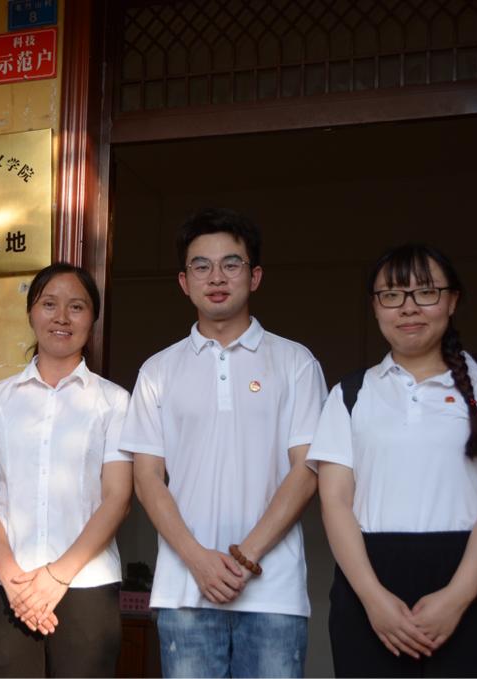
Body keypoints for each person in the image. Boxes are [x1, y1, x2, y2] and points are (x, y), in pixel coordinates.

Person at [308, 243, 477, 677]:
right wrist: (373, 599)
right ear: (376, 307)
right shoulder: (350, 395)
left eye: (426, 292)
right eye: (392, 295)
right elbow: (334, 502)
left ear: (452, 300)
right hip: (369, 584)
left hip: (473, 583)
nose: (408, 308)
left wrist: (456, 599)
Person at [120, 208, 328, 678]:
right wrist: (198, 561)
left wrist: (245, 556)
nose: (216, 277)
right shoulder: (158, 371)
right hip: (185, 590)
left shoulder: (295, 362)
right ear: (184, 281)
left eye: (231, 264)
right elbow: (147, 478)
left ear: (254, 276)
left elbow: (307, 469)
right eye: (201, 266)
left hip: (273, 591)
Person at [0, 263, 133, 678]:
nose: (62, 317)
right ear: (30, 313)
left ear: (93, 318)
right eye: (49, 304)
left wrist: (58, 576)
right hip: (5, 583)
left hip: (87, 582)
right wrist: (13, 580)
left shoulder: (114, 402)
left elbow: (118, 498)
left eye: (77, 307)